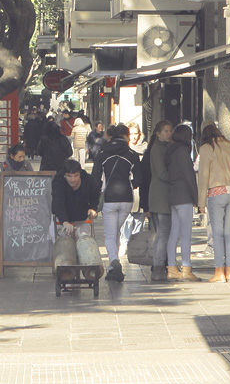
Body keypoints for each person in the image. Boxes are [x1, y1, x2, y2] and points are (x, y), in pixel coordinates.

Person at [197, 122, 230, 283]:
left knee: (217, 234)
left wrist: (201, 201)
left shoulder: (206, 148)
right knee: (229, 233)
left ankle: (219, 272)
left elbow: (203, 177)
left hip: (216, 193)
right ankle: (229, 271)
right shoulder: (229, 145)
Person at [93, 124, 139, 283]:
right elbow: (139, 179)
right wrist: (130, 184)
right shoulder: (132, 154)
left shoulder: (102, 154)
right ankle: (113, 267)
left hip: (109, 199)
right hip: (127, 198)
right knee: (117, 232)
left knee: (110, 235)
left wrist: (93, 200)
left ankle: (114, 261)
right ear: (126, 136)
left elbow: (95, 179)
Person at [138, 120, 175, 281]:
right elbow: (161, 173)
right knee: (163, 233)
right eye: (166, 130)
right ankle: (159, 266)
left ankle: (161, 264)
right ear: (158, 133)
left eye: (170, 130)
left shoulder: (160, 148)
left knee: (162, 233)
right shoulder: (158, 149)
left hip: (160, 196)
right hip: (161, 197)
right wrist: (176, 177)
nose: (169, 133)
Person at [165, 122, 201, 281]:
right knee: (186, 234)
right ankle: (186, 268)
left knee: (174, 233)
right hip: (184, 196)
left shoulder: (171, 152)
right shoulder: (182, 152)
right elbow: (189, 176)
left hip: (173, 195)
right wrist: (196, 198)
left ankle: (172, 267)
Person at [51, 159, 100, 242]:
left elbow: (95, 195)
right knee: (60, 243)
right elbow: (58, 202)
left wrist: (93, 207)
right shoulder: (58, 182)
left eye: (76, 175)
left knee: (85, 243)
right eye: (69, 176)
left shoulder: (89, 181)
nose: (72, 179)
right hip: (62, 218)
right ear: (64, 175)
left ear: (80, 174)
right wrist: (65, 222)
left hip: (82, 217)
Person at [0, 143, 32, 223]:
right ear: (12, 156)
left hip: (23, 202)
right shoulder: (2, 167)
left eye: (23, 156)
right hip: (7, 202)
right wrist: (4, 194)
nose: (22, 159)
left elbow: (33, 180)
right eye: (19, 157)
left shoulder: (27, 166)